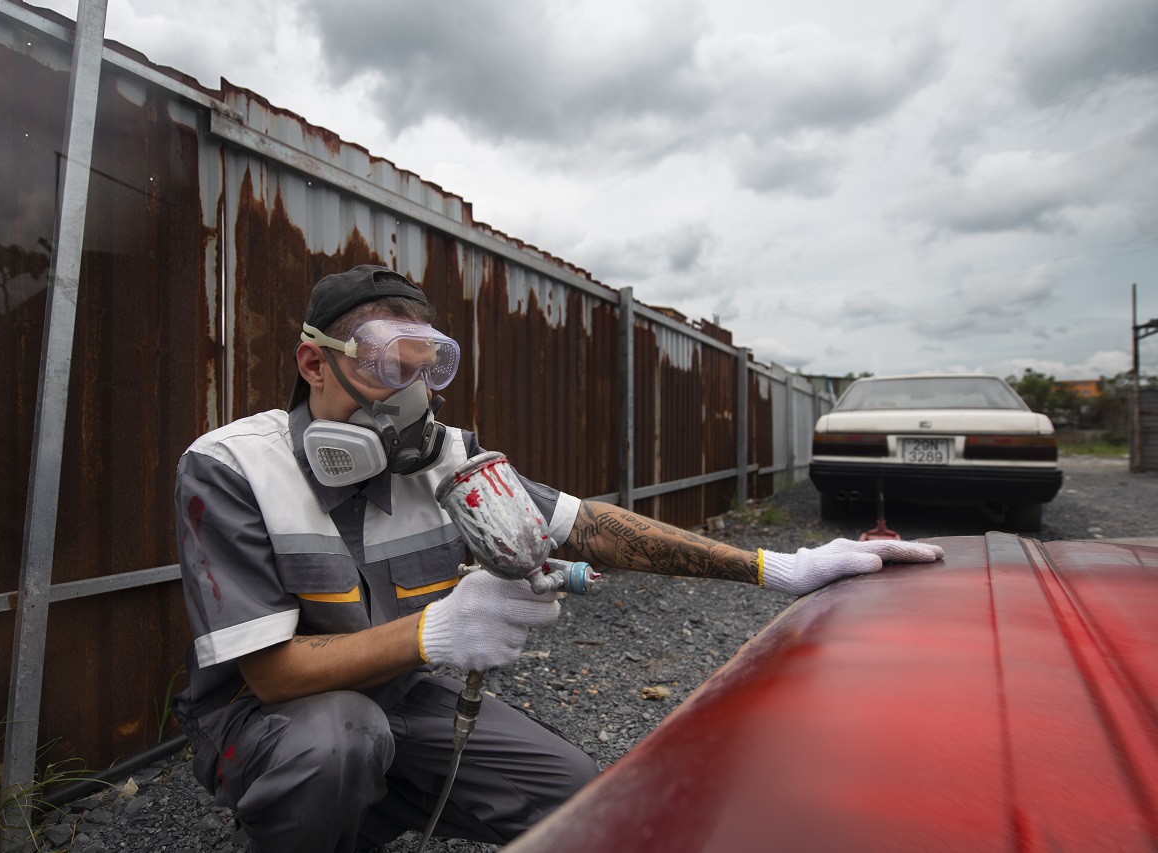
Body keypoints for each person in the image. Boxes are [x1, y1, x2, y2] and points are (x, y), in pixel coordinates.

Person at [171, 264, 943, 853]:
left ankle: (360, 813)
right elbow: (270, 673)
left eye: (429, 367)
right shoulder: (232, 467)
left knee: (577, 802)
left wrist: (775, 567)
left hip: (398, 696)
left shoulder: (443, 461)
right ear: (315, 364)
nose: (414, 395)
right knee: (340, 741)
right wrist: (435, 633)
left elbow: (588, 527)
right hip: (266, 718)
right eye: (388, 366)